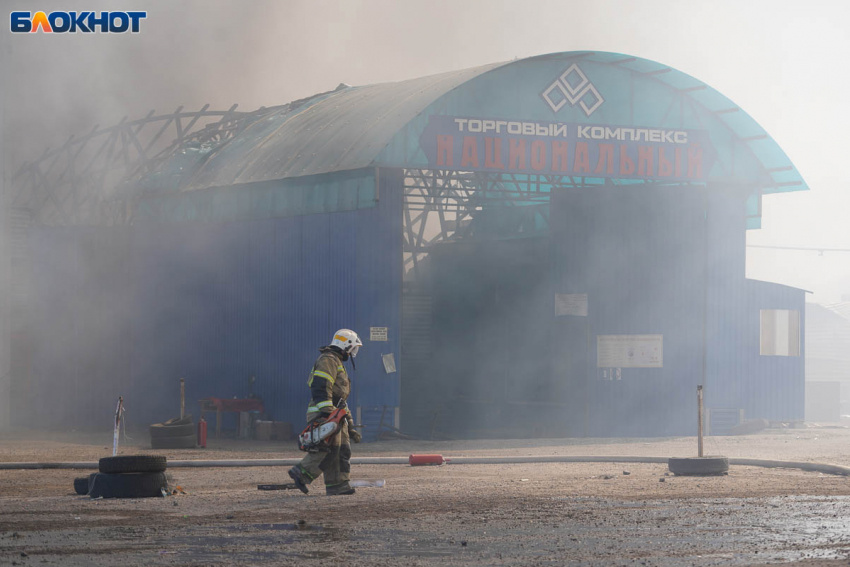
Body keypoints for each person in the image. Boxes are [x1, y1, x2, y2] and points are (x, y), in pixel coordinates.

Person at [289, 329, 363, 496]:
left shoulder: (336, 361)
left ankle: (338, 485)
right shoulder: (328, 359)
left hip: (335, 413)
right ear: (346, 345)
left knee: (341, 449)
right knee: (325, 448)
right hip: (324, 412)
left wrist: (350, 425)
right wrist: (327, 413)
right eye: (353, 348)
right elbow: (321, 386)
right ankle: (301, 473)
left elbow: (340, 399)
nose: (352, 353)